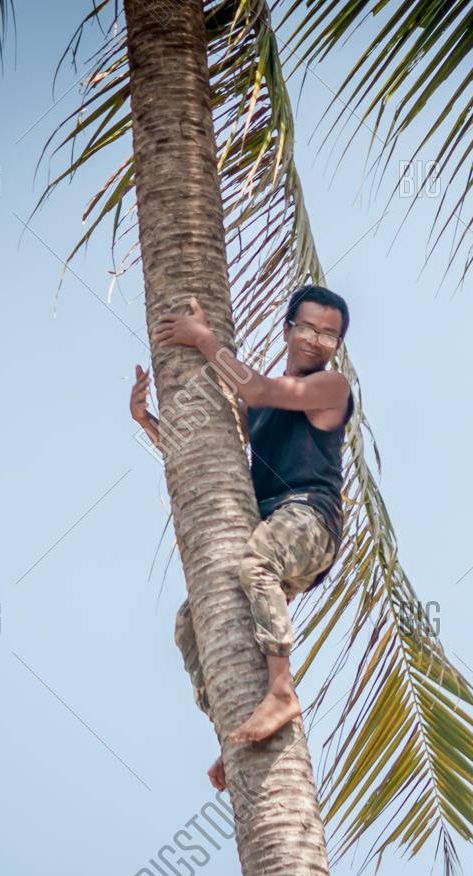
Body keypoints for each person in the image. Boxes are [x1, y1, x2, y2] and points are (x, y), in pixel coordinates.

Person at [131, 284, 355, 791]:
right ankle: (232, 731)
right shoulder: (262, 406)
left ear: (336, 346)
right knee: (191, 621)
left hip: (309, 519)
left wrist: (203, 338)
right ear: (288, 330)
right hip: (269, 521)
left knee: (256, 564)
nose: (317, 340)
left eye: (329, 334)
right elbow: (211, 457)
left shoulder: (332, 387)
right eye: (309, 328)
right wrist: (146, 420)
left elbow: (252, 389)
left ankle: (281, 691)